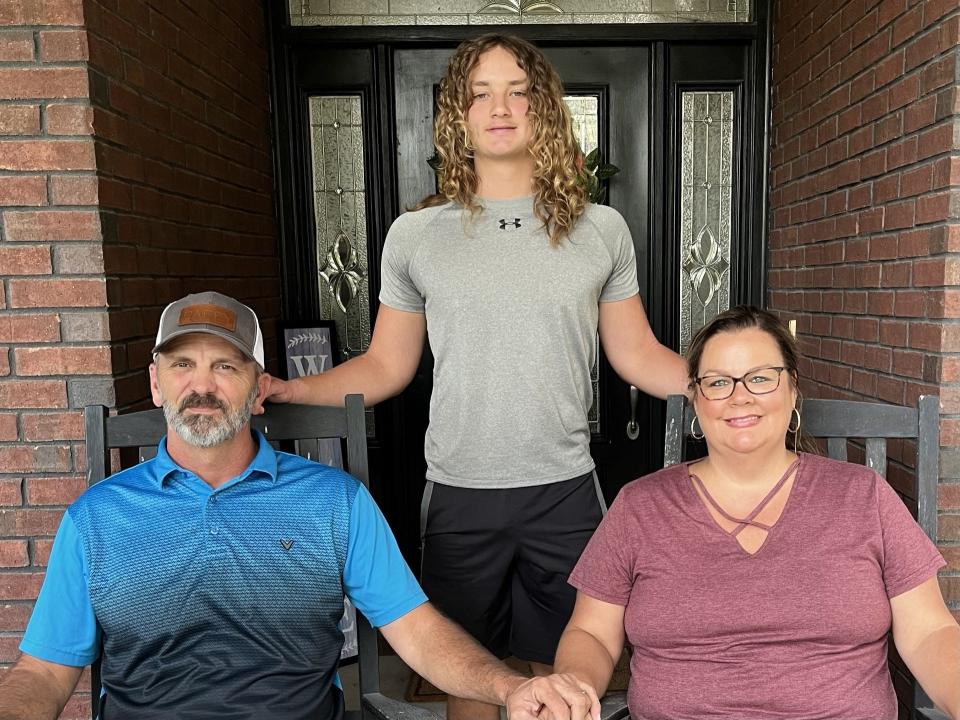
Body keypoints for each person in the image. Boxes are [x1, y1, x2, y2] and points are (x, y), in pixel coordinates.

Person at [262, 33, 688, 720]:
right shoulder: (415, 236)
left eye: (517, 90)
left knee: (569, 681)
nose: (499, 107)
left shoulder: (599, 229)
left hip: (566, 494)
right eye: (480, 92)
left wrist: (731, 382)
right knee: (474, 683)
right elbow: (386, 365)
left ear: (544, 109)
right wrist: (289, 389)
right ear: (457, 114)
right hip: (460, 496)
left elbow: (636, 353)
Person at [0, 291, 601, 720]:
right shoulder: (97, 519)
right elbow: (44, 673)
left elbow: (416, 632)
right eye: (182, 365)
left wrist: (507, 687)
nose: (201, 386)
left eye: (225, 366)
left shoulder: (333, 501)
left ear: (260, 389)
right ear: (156, 384)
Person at [531, 306, 960, 720]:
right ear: (696, 399)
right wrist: (574, 684)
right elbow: (592, 634)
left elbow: (929, 632)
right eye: (718, 383)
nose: (740, 398)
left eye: (759, 378)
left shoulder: (863, 497)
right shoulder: (640, 507)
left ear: (792, 388)